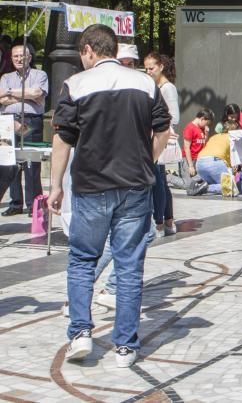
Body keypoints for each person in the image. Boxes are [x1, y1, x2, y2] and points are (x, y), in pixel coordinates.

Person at [47, 24, 172, 367]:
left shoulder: (77, 85)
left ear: (88, 50)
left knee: (83, 261)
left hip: (91, 186)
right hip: (134, 185)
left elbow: (63, 138)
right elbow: (163, 128)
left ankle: (81, 333)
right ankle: (125, 347)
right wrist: (148, 160)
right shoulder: (145, 83)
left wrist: (55, 185)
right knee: (130, 265)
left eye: (81, 54)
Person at [0, 43, 48, 216]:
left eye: (22, 56)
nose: (19, 59)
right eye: (15, 56)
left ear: (29, 57)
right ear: (11, 58)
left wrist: (10, 93)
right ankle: (15, 203)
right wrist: (27, 97)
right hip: (8, 122)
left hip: (31, 121)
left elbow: (37, 93)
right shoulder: (5, 76)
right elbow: (1, 97)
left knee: (31, 162)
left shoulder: (40, 74)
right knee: (10, 162)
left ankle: (33, 204)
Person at [144, 52, 180, 237]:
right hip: (157, 136)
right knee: (161, 181)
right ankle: (167, 220)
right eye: (146, 68)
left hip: (161, 137)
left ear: (161, 67)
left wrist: (156, 124)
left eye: (152, 68)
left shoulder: (167, 88)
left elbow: (174, 116)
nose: (148, 71)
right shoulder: (156, 87)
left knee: (158, 180)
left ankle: (160, 221)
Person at [195, 122, 235, 194]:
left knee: (215, 184)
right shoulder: (231, 138)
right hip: (214, 162)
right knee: (231, 187)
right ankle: (205, 188)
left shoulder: (214, 136)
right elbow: (230, 159)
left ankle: (198, 185)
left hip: (199, 163)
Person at [182, 110, 212, 180]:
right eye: (206, 123)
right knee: (188, 184)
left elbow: (203, 143)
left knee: (199, 181)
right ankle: (169, 177)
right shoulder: (190, 128)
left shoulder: (202, 128)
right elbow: (187, 148)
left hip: (198, 159)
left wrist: (206, 134)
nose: (207, 125)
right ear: (202, 119)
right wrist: (190, 166)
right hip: (189, 159)